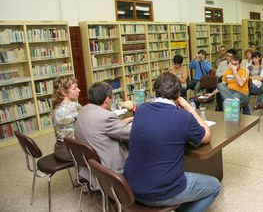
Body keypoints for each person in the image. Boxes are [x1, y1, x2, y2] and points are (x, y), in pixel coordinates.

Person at [124, 72, 221, 211]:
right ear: (178, 95)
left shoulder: (141, 110)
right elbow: (207, 136)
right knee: (215, 186)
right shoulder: (182, 117)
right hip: (160, 192)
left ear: (155, 92)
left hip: (130, 186)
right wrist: (189, 108)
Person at [75, 82, 134, 179]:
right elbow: (131, 134)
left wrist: (128, 120)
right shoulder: (106, 117)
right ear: (107, 99)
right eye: (112, 98)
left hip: (92, 162)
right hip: (109, 164)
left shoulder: (83, 110)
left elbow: (105, 127)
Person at [51, 75, 82, 162]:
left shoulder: (56, 107)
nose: (79, 90)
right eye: (75, 88)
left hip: (59, 149)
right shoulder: (74, 106)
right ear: (64, 92)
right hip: (70, 151)